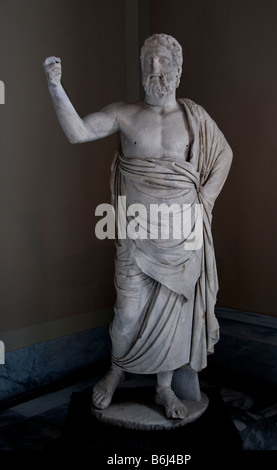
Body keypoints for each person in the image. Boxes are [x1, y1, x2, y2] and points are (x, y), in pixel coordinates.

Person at [43, 33, 232, 420]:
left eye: (162, 61)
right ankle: (115, 373)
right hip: (136, 234)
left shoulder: (194, 118)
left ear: (178, 69)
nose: (154, 68)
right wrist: (55, 86)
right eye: (148, 61)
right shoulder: (123, 113)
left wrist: (206, 201)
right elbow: (78, 131)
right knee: (127, 311)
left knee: (173, 315)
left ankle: (164, 388)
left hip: (182, 238)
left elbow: (225, 155)